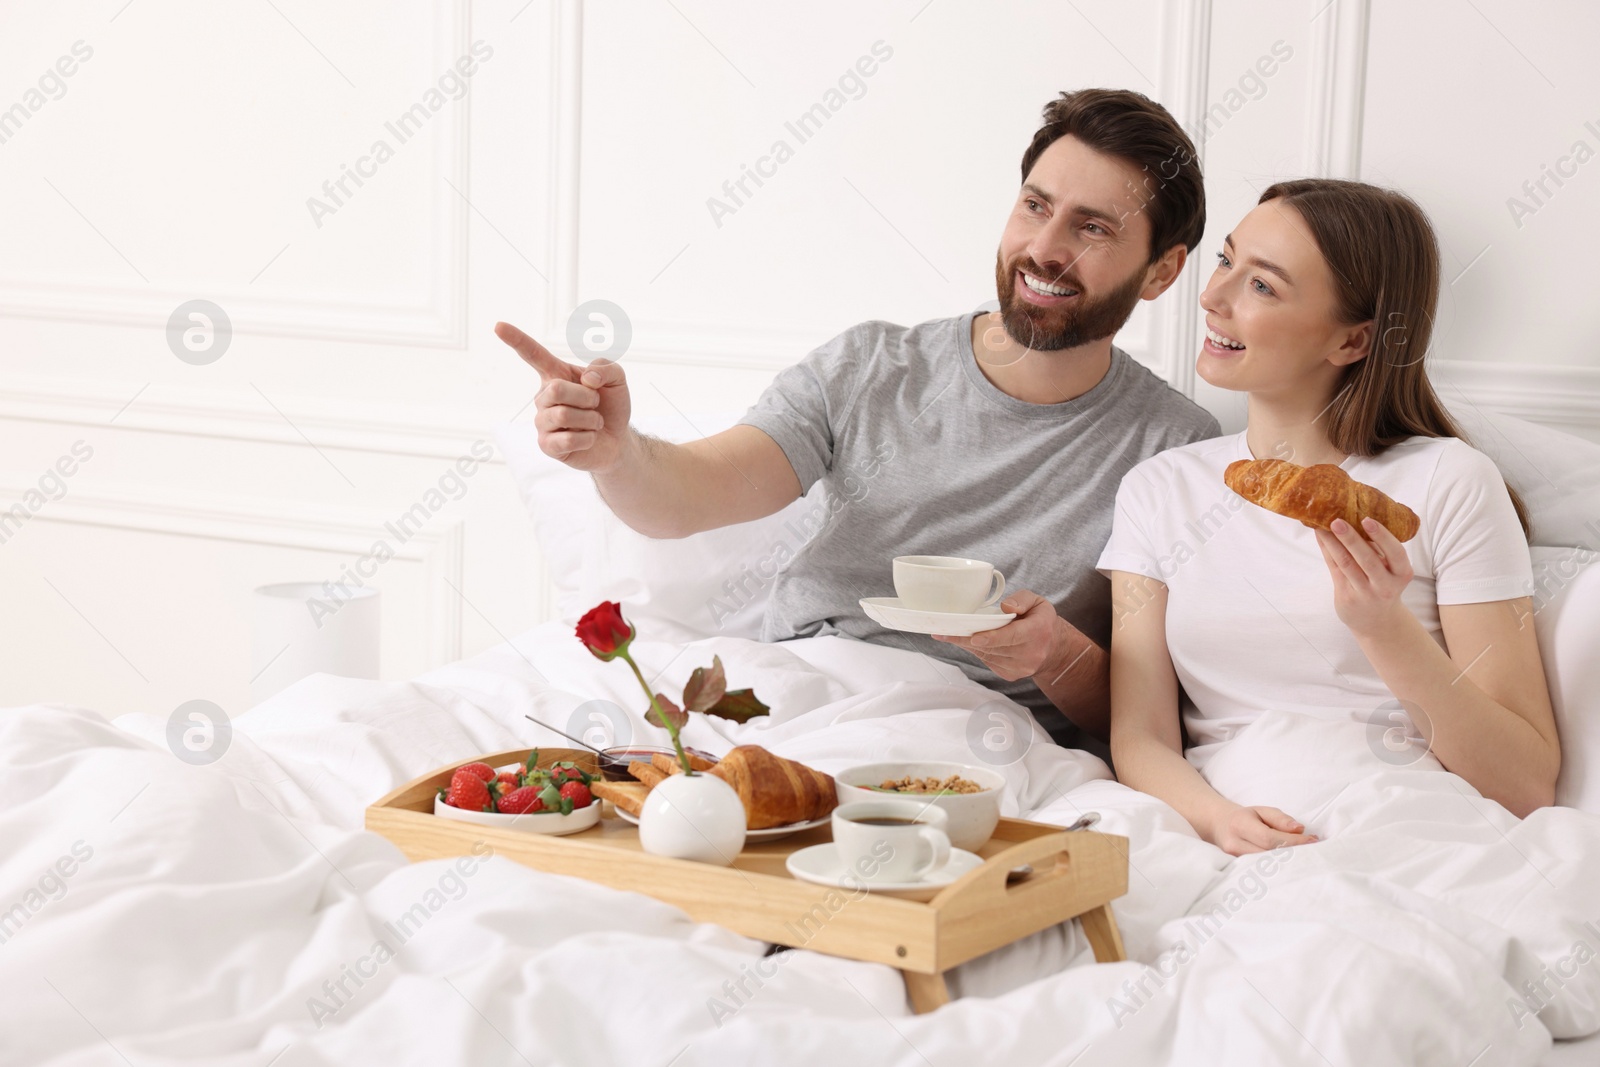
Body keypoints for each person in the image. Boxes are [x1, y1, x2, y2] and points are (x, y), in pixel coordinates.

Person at [497, 88, 1220, 753]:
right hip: (793, 694)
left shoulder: (1174, 447)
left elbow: (1147, 719)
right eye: (1036, 206)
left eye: (1091, 228)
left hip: (972, 735)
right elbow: (691, 494)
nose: (1044, 248)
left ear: (1160, 270)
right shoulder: (872, 366)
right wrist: (616, 453)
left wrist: (1054, 653)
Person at [1102, 179, 1561, 854]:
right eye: (1227, 261)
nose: (1212, 297)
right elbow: (1139, 736)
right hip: (1218, 829)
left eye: (1262, 286)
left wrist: (1384, 627)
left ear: (1352, 341)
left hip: (1404, 825)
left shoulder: (1446, 482)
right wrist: (1217, 819)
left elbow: (1524, 783)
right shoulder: (1159, 490)